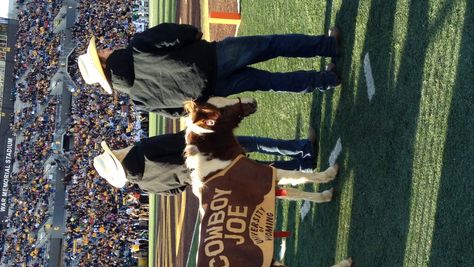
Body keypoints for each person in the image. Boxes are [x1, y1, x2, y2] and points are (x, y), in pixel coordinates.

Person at [77, 23, 341, 118]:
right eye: (100, 52)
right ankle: (328, 45)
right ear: (102, 62)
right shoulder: (136, 48)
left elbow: (179, 111)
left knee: (269, 81)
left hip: (213, 88)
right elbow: (172, 34)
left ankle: (326, 80)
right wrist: (195, 37)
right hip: (211, 55)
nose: (104, 48)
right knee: (270, 45)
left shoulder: (138, 100)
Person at [93, 129, 318, 195]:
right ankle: (302, 149)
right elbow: (178, 141)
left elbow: (175, 191)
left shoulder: (144, 186)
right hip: (205, 151)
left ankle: (302, 167)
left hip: (204, 176)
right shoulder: (143, 151)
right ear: (117, 156)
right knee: (253, 143)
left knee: (259, 170)